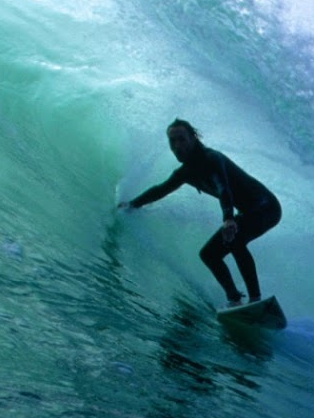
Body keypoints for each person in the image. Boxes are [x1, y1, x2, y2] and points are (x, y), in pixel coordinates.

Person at [120, 119, 283, 307]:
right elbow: (161, 190)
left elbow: (224, 188)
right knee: (209, 254)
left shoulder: (212, 159)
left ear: (193, 138)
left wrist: (229, 219)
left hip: (266, 207)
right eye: (173, 142)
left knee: (236, 240)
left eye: (182, 139)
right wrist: (132, 204)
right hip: (247, 212)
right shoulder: (185, 172)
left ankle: (255, 299)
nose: (177, 145)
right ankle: (235, 300)